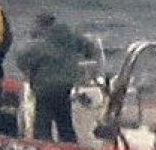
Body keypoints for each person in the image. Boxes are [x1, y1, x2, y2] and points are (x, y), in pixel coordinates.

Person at [15, 12, 99, 142]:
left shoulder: (40, 42)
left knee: (42, 125)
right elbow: (90, 48)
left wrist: (31, 71)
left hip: (45, 87)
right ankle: (70, 148)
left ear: (41, 24)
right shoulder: (71, 37)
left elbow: (22, 60)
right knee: (64, 121)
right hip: (66, 85)